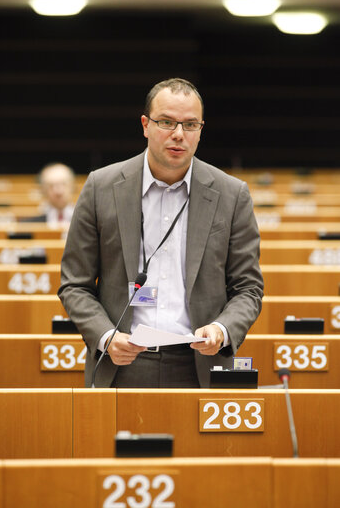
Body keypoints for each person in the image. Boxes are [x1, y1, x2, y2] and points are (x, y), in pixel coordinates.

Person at [58, 78, 264, 388]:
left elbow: (248, 288)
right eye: (167, 122)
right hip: (121, 363)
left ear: (200, 129)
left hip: (200, 366)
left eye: (190, 125)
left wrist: (222, 329)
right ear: (145, 124)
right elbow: (75, 284)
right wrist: (105, 336)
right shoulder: (101, 187)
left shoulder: (231, 195)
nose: (179, 135)